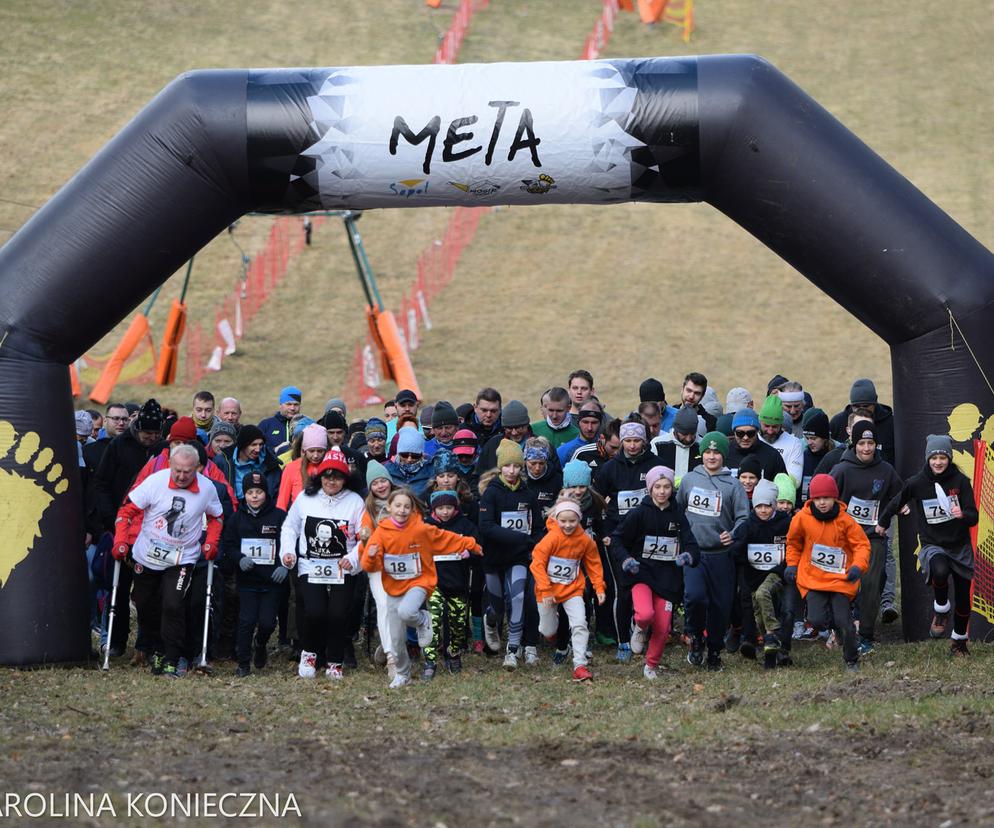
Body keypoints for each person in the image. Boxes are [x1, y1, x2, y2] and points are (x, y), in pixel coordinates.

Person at [111, 444, 223, 677]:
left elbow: (217, 517)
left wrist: (211, 542)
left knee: (173, 605)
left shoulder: (207, 488)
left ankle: (172, 658)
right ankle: (157, 649)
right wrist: (120, 540)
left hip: (182, 557)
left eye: (188, 472)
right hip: (147, 555)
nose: (182, 476)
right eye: (177, 471)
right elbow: (126, 511)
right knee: (144, 605)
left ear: (198, 469)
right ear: (170, 464)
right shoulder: (155, 481)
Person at [361, 487, 482, 688]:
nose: (402, 510)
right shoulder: (381, 532)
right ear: (389, 507)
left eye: (407, 506)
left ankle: (423, 620)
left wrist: (471, 544)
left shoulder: (421, 529)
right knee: (396, 638)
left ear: (412, 509)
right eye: (398, 506)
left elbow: (446, 538)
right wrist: (371, 554)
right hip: (393, 586)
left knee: (407, 611)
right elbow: (368, 566)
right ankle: (402, 673)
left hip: (419, 582)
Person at [876, 435, 978, 654]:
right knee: (939, 571)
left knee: (962, 597)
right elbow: (897, 501)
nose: (938, 462)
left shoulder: (960, 482)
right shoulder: (917, 483)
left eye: (943, 457)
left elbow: (974, 515)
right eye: (934, 458)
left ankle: (959, 642)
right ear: (927, 459)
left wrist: (963, 514)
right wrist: (883, 522)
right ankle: (941, 610)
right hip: (933, 544)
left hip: (959, 546)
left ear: (949, 458)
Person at [88, 399, 164, 661]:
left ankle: (147, 643)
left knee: (148, 593)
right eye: (147, 434)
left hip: (153, 529)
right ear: (137, 429)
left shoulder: (162, 450)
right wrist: (111, 519)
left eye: (156, 434)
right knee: (118, 589)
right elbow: (100, 484)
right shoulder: (119, 447)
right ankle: (117, 640)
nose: (150, 439)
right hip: (121, 526)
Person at [280, 449, 366, 680]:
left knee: (338, 614)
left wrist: (353, 558)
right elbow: (290, 527)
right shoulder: (306, 498)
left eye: (337, 477)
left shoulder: (355, 502)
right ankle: (309, 654)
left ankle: (334, 660)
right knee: (315, 612)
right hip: (311, 565)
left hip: (342, 567)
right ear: (319, 477)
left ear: (346, 479)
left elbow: (364, 537)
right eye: (327, 476)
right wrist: (288, 552)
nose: (331, 481)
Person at [610, 465, 698, 679]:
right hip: (641, 574)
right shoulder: (638, 514)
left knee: (663, 626)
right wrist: (627, 559)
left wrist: (688, 556)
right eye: (657, 486)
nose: (662, 491)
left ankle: (651, 665)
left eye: (666, 486)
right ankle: (639, 627)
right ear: (650, 488)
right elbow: (617, 540)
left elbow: (691, 544)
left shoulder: (678, 515)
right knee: (645, 614)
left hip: (668, 579)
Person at [675, 431, 750, 671]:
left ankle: (715, 651)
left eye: (716, 452)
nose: (711, 456)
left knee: (720, 606)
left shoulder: (733, 485)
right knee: (694, 597)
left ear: (724, 456)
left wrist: (734, 533)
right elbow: (678, 511)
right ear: (702, 454)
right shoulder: (689, 480)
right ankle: (696, 637)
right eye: (707, 451)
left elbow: (743, 518)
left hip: (721, 556)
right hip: (695, 554)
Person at [593, 420, 664, 662]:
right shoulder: (610, 469)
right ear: (621, 442)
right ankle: (623, 639)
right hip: (618, 539)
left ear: (645, 441)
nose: (633, 446)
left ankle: (641, 628)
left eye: (637, 441)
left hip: (646, 537)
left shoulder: (655, 465)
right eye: (628, 441)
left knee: (648, 585)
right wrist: (604, 532)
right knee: (622, 590)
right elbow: (596, 502)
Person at [830, 420, 902, 655]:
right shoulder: (842, 470)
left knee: (871, 584)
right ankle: (839, 630)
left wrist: (895, 510)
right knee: (842, 584)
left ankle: (867, 635)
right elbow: (825, 500)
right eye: (862, 443)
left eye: (871, 443)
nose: (866, 448)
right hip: (843, 539)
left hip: (873, 537)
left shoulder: (886, 470)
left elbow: (899, 495)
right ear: (854, 443)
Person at [785, 474, 871, 671]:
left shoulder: (845, 520)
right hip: (813, 579)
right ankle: (835, 629)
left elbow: (861, 545)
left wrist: (858, 566)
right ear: (811, 499)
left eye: (826, 498)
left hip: (841, 579)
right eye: (817, 498)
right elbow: (793, 543)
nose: (822, 503)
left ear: (835, 498)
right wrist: (792, 564)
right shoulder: (801, 519)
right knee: (816, 620)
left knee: (845, 623)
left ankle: (851, 659)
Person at [478, 439, 544, 669]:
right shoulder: (491, 493)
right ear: (500, 467)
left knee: (518, 598)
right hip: (494, 559)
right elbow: (486, 527)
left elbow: (537, 528)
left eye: (516, 466)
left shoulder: (528, 494)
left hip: (518, 558)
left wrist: (531, 543)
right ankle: (490, 620)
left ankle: (512, 651)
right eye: (507, 466)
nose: (512, 471)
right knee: (497, 607)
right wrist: (519, 537)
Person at [530, 499, 606, 682]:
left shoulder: (584, 541)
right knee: (546, 630)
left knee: (580, 623)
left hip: (573, 589)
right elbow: (537, 564)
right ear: (556, 519)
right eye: (563, 521)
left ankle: (579, 665)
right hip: (547, 591)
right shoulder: (551, 538)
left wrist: (599, 587)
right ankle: (555, 630)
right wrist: (546, 590)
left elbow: (594, 563)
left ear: (579, 520)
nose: (568, 525)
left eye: (572, 521)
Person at [223, 472, 287, 677]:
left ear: (266, 494)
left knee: (268, 622)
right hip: (247, 580)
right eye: (250, 492)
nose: (255, 496)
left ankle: (260, 643)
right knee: (246, 621)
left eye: (259, 492)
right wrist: (239, 559)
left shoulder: (278, 516)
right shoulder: (236, 517)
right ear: (245, 494)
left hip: (272, 581)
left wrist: (283, 565)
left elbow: (288, 544)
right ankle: (243, 663)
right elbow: (229, 545)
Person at [423, 489, 481, 677]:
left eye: (449, 507)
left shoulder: (465, 525)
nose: (445, 512)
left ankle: (454, 654)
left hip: (458, 584)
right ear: (434, 509)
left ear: (456, 508)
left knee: (458, 623)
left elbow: (479, 549)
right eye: (440, 508)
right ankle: (430, 661)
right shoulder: (426, 527)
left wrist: (469, 554)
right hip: (434, 584)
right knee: (433, 621)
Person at [738, 479, 793, 668]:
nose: (763, 510)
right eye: (759, 506)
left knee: (764, 594)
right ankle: (773, 652)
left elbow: (793, 548)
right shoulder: (747, 526)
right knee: (758, 612)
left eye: (767, 506)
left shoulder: (786, 523)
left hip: (777, 572)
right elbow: (737, 550)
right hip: (753, 575)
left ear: (774, 505)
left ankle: (773, 634)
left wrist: (785, 567)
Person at [829, 378, 896, 465]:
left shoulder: (891, 423)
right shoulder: (838, 423)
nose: (861, 410)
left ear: (875, 403)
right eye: (856, 406)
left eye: (866, 406)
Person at [219, 424, 282, 501]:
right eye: (253, 445)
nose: (258, 449)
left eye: (261, 444)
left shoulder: (271, 465)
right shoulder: (223, 461)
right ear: (243, 445)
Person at [276, 423, 328, 511]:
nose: (315, 455)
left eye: (320, 451)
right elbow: (281, 504)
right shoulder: (291, 468)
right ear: (304, 451)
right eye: (311, 451)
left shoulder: (330, 466)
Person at [757, 395, 803, 486]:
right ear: (759, 422)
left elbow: (796, 481)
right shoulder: (752, 439)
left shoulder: (794, 443)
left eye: (775, 427)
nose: (770, 431)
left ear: (781, 425)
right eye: (766, 426)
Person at [650, 405, 702, 483]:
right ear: (676, 429)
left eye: (692, 434)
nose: (689, 438)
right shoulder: (657, 444)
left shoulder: (702, 445)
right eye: (684, 434)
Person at [477, 400, 532, 471]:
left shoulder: (539, 445)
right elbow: (478, 475)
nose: (514, 433)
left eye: (519, 427)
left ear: (527, 425)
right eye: (509, 428)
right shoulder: (493, 445)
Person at [384, 427, 433, 498]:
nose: (409, 459)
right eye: (405, 455)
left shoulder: (430, 470)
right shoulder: (387, 470)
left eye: (415, 456)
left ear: (422, 455)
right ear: (398, 453)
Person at [524, 436, 563, 515]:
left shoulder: (557, 480)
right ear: (525, 461)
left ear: (546, 461)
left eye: (541, 463)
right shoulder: (518, 478)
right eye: (533, 463)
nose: (537, 468)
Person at [557, 401, 603, 466]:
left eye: (594, 423)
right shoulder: (563, 451)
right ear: (578, 422)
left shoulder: (607, 450)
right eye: (585, 422)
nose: (589, 428)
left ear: (600, 423)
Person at [258, 386, 302, 452]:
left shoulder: (306, 425)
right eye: (288, 404)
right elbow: (255, 449)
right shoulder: (266, 425)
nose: (292, 408)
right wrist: (275, 450)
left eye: (296, 404)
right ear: (280, 405)